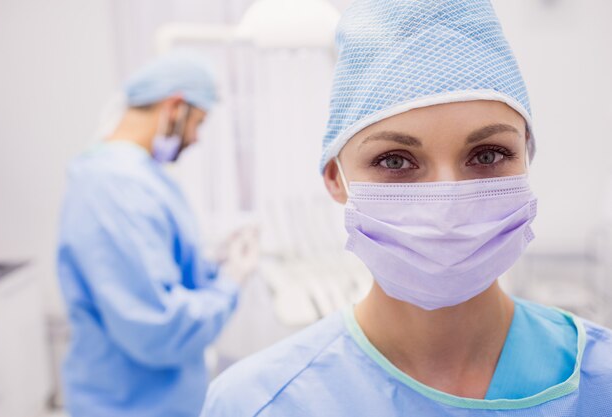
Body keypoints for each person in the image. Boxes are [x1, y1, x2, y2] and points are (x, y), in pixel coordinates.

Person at [200, 1, 612, 416]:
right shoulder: (257, 403)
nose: (446, 204)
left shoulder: (601, 380)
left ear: (527, 158)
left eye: (487, 155)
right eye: (395, 161)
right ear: (336, 179)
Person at [57, 51, 255, 417]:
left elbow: (153, 273)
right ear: (175, 107)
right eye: (198, 122)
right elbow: (156, 328)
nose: (195, 138)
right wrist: (230, 283)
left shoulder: (135, 176)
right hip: (129, 403)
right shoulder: (114, 185)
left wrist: (211, 264)